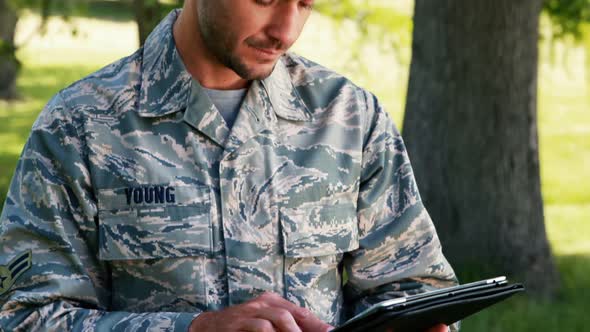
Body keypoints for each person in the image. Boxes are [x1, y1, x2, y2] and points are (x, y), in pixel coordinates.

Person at [0, 1, 458, 331]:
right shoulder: (80, 125)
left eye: (304, 3)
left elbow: (410, 286)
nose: (285, 29)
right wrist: (195, 330)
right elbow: (28, 317)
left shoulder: (349, 118)